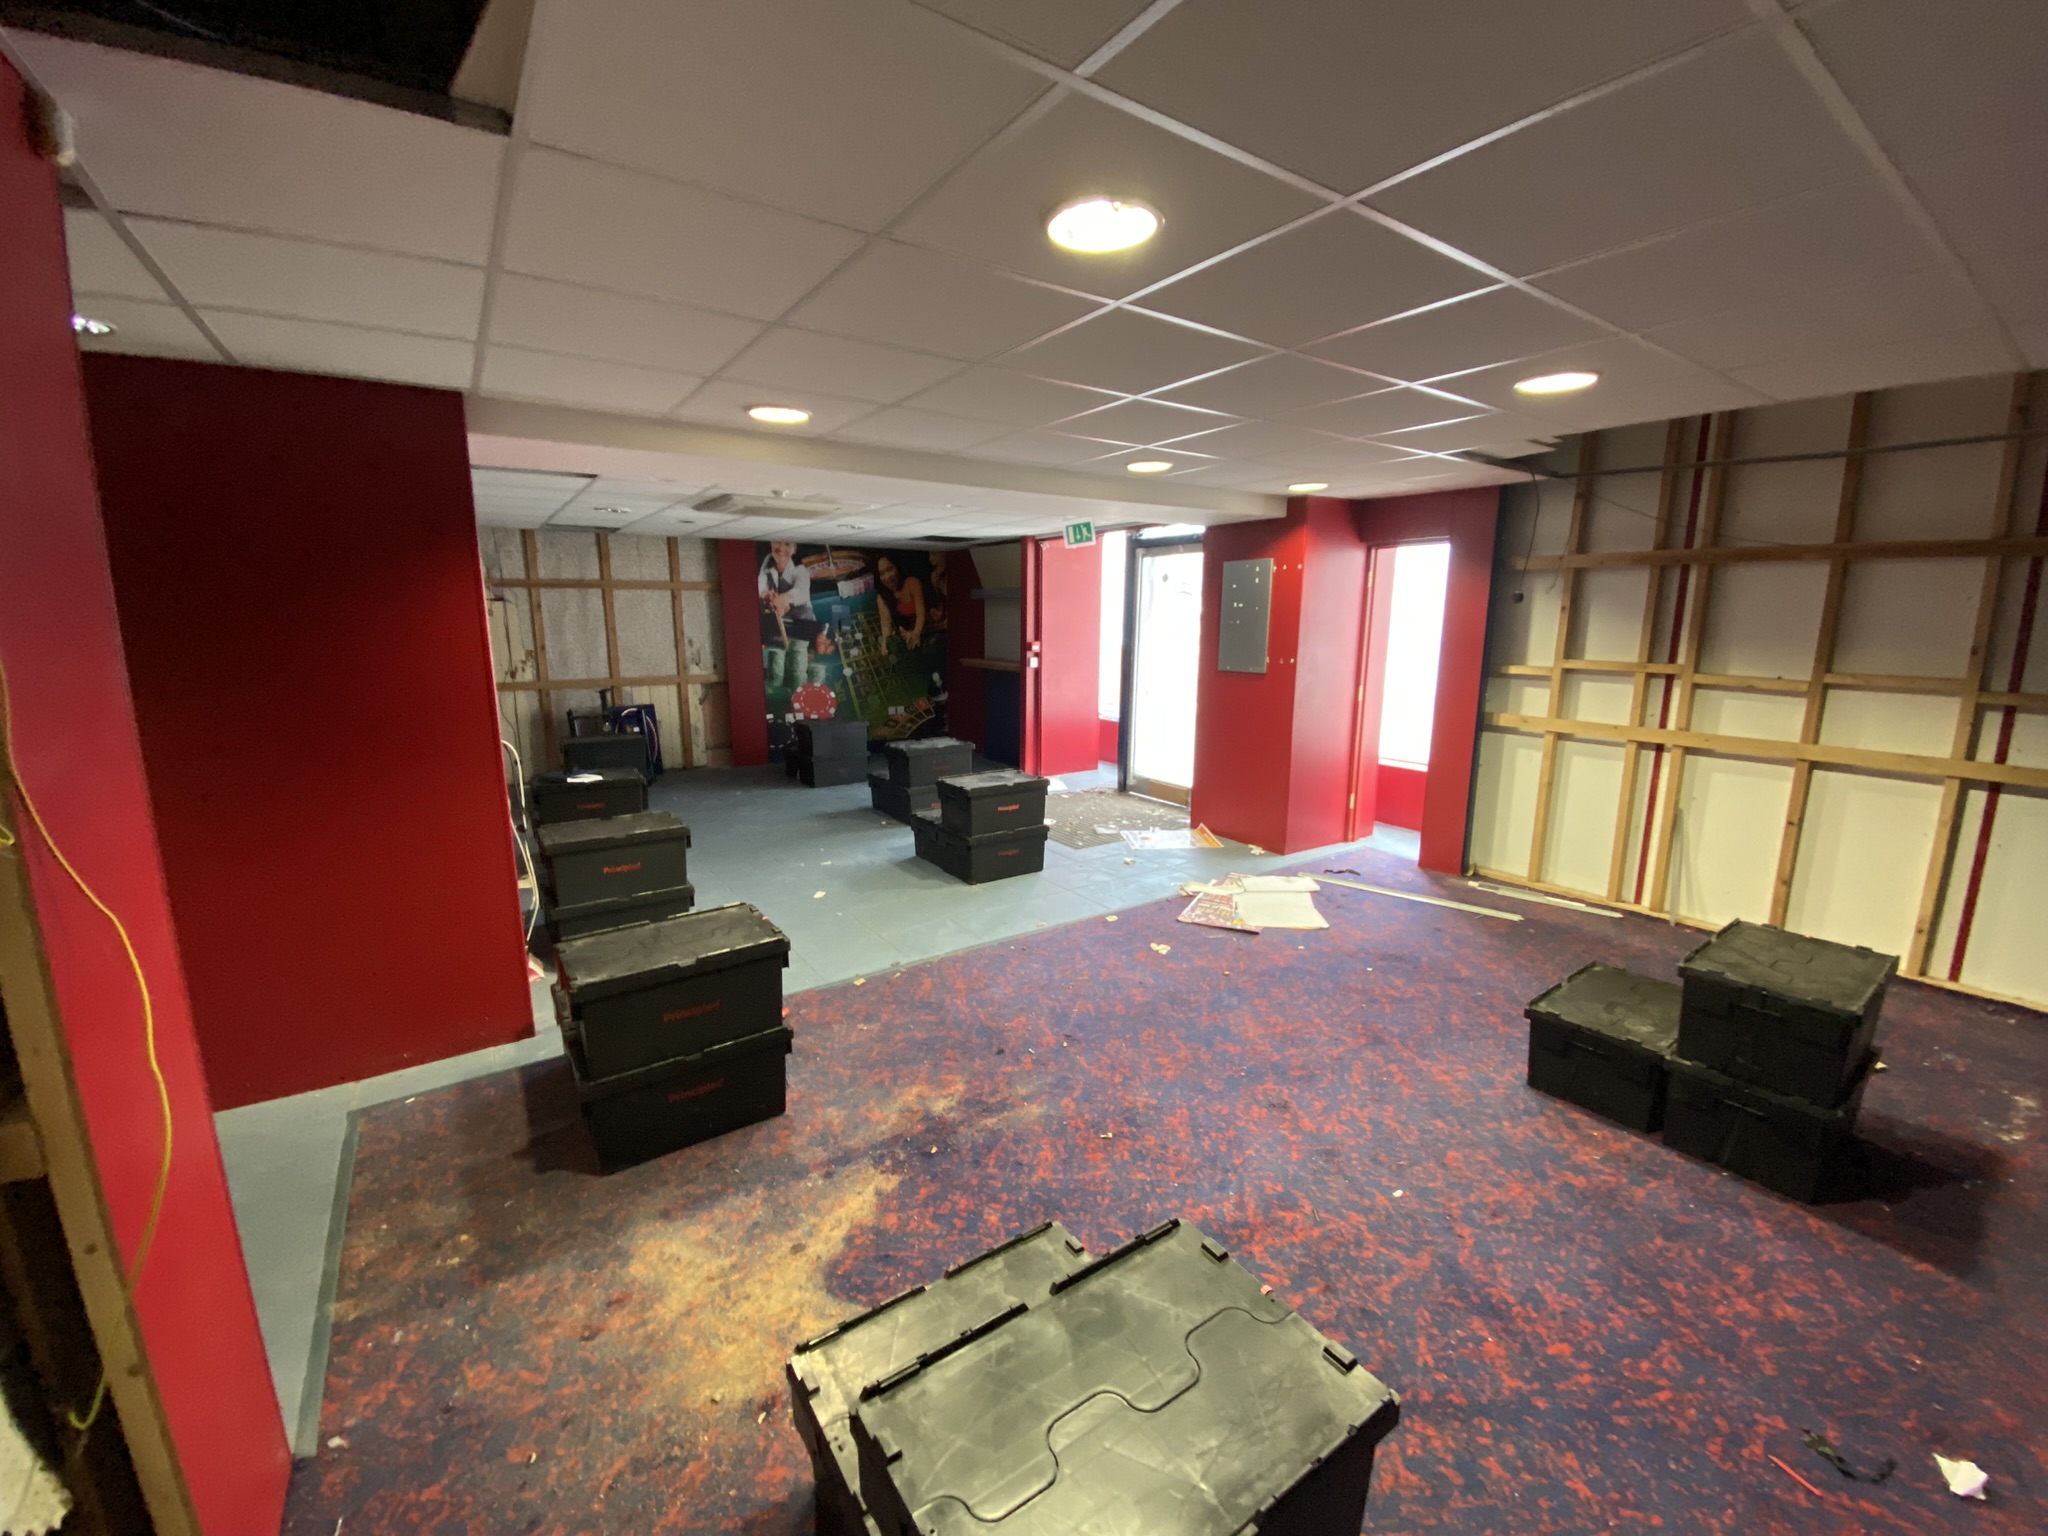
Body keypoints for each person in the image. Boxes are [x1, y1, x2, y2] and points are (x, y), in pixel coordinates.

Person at [759, 542, 821, 689]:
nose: (781, 548)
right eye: (777, 543)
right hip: (778, 629)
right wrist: (766, 595)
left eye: (787, 544)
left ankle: (801, 691)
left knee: (797, 671)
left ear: (793, 550)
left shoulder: (800, 571)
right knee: (775, 669)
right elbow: (759, 587)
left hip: (802, 627)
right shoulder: (767, 572)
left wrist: (784, 599)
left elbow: (801, 591)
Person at [875, 554, 928, 651]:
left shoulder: (912, 583)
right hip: (904, 637)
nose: (887, 577)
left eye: (889, 569)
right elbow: (886, 625)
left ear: (897, 567)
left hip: (925, 632)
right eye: (882, 573)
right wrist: (885, 642)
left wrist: (915, 634)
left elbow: (921, 616)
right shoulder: (882, 598)